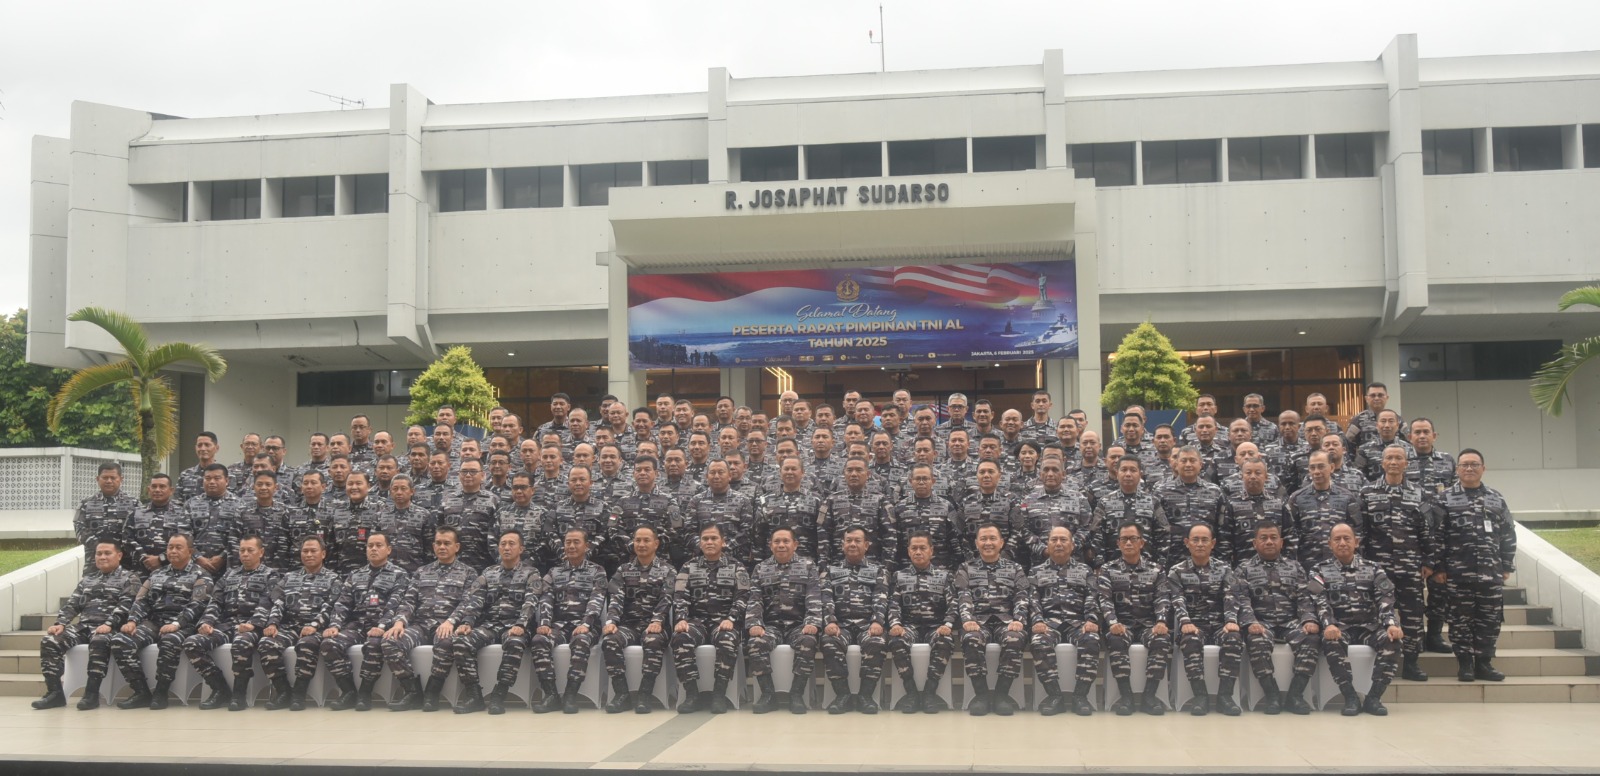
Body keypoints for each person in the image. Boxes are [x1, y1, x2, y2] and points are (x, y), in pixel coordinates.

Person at [1437, 449, 1516, 683]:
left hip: (1490, 573)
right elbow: (1436, 536)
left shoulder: (1496, 498)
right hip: (1458, 573)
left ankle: (1484, 663)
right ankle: (1465, 665)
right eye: (1464, 465)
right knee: (1460, 621)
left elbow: (1508, 533)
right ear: (1457, 469)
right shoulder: (1445, 498)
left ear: (1483, 468)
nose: (1469, 469)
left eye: (1474, 464)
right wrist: (1439, 567)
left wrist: (1507, 565)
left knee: (1489, 620)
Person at [1360, 444, 1438, 681]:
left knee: (1413, 616)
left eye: (1398, 458)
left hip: (1410, 567)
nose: (1393, 462)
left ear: (1407, 463)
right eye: (1389, 458)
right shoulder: (1367, 492)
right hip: (1378, 568)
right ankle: (1378, 662)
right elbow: (1361, 531)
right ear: (1382, 463)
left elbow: (1428, 530)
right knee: (1376, 615)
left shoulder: (1419, 493)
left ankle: (1412, 663)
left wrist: (1429, 561)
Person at [109, 534, 212, 709]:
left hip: (185, 624)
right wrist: (133, 621)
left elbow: (198, 605)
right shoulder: (156, 574)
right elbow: (141, 600)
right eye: (170, 547)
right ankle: (141, 691)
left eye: (178, 547)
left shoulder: (201, 575)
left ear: (190, 551)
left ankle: (161, 692)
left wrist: (177, 624)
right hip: (154, 622)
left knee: (170, 641)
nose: (173, 551)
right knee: (121, 640)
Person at [33, 541, 140, 710]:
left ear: (119, 555)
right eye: (99, 553)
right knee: (50, 641)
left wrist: (109, 624)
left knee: (100, 640)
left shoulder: (130, 579)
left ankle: (91, 694)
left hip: (111, 628)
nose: (102, 557)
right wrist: (60, 623)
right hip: (84, 627)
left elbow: (126, 606)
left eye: (107, 553)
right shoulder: (88, 580)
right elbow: (72, 604)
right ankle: (54, 693)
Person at [383, 526, 477, 711]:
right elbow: (409, 600)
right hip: (420, 625)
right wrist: (400, 621)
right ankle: (412, 691)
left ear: (456, 546)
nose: (442, 547)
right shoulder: (421, 572)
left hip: (446, 624)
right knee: (390, 641)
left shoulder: (469, 573)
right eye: (438, 543)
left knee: (445, 642)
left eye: (447, 543)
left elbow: (467, 603)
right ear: (433, 546)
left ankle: (433, 692)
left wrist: (451, 621)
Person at [449, 529, 544, 714]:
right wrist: (468, 622)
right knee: (460, 640)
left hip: (516, 626)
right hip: (490, 626)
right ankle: (474, 695)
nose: (506, 548)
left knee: (515, 642)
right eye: (503, 544)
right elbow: (475, 599)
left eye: (511, 544)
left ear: (521, 548)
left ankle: (499, 695)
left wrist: (521, 624)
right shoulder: (488, 573)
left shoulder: (531, 573)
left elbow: (531, 602)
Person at [1311, 523, 1402, 715]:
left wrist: (1391, 624)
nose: (1342, 543)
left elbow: (1385, 598)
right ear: (1329, 544)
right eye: (1337, 539)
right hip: (1339, 628)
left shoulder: (1373, 569)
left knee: (1392, 640)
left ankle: (1374, 698)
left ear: (1356, 542)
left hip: (1369, 628)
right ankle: (1350, 697)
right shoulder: (1318, 571)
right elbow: (1319, 602)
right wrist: (1329, 625)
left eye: (1347, 538)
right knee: (1331, 641)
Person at [184, 534, 279, 711]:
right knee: (192, 643)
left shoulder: (271, 575)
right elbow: (216, 601)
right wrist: (206, 622)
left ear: (261, 552)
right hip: (227, 624)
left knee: (242, 642)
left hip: (253, 626)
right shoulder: (229, 574)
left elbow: (269, 602)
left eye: (250, 550)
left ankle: (239, 694)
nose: (245, 554)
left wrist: (254, 624)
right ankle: (220, 689)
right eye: (242, 550)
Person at [1235, 522, 1319, 714]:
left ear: (1281, 542)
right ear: (1255, 543)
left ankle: (1295, 696)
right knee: (1256, 641)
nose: (1269, 542)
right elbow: (1242, 600)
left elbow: (1304, 598)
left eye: (1273, 537)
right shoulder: (1243, 569)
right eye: (1263, 538)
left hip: (1291, 623)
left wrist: (1308, 620)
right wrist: (1251, 622)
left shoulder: (1295, 567)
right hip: (1261, 623)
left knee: (1312, 638)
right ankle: (1271, 695)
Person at [322, 531, 411, 711]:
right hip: (357, 625)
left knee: (373, 644)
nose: (374, 549)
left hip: (382, 625)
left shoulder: (399, 574)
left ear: (389, 549)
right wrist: (334, 625)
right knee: (329, 643)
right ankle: (348, 692)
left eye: (378, 546)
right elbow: (342, 603)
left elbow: (396, 603)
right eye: (370, 546)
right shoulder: (355, 575)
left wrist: (382, 625)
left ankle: (365, 693)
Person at [671, 524, 750, 714]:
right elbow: (679, 596)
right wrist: (681, 618)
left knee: (727, 639)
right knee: (680, 637)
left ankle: (719, 695)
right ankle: (692, 694)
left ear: (723, 542)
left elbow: (743, 596)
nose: (709, 542)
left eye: (714, 538)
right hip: (696, 622)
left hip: (724, 621)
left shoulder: (737, 566)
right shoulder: (687, 567)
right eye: (705, 539)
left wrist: (731, 618)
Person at [1097, 522, 1173, 715]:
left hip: (1149, 625)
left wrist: (1161, 621)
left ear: (1142, 542)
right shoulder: (1108, 569)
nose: (1128, 543)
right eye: (1124, 539)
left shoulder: (1156, 569)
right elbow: (1104, 600)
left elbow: (1162, 597)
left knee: (1162, 640)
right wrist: (1113, 622)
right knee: (1115, 640)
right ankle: (1126, 697)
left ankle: (1149, 695)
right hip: (1122, 625)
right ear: (1118, 543)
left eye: (1133, 539)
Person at [258, 535, 342, 710]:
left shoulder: (333, 579)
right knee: (266, 643)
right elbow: (278, 602)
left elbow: (331, 607)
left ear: (324, 554)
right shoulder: (289, 577)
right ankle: (283, 692)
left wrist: (315, 625)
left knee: (306, 644)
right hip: (290, 627)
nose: (309, 554)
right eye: (305, 551)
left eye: (313, 551)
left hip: (316, 628)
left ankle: (299, 694)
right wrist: (272, 623)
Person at [530, 528, 608, 713]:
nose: (571, 546)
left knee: (581, 641)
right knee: (539, 640)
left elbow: (597, 600)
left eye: (576, 542)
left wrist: (586, 624)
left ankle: (571, 695)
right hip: (559, 625)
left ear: (586, 546)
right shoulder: (553, 572)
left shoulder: (597, 571)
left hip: (586, 625)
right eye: (567, 542)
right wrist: (545, 624)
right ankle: (551, 695)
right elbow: (546, 599)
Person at [746, 527, 824, 715]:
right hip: (770, 626)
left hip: (799, 625)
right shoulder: (761, 568)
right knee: (756, 643)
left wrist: (812, 622)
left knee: (808, 641)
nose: (781, 545)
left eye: (786, 541)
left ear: (795, 544)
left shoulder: (808, 566)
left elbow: (814, 596)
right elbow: (754, 599)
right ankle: (768, 695)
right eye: (777, 542)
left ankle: (796, 694)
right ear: (770, 545)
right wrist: (754, 623)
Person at [601, 526, 676, 713]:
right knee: (610, 641)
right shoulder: (623, 570)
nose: (641, 544)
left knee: (653, 641)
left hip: (656, 626)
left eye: (646, 540)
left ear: (656, 544)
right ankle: (622, 694)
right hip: (629, 626)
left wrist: (657, 621)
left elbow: (666, 599)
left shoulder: (668, 570)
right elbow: (615, 598)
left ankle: (644, 694)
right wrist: (611, 622)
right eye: (637, 540)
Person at [955, 523, 1029, 716]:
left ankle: (1001, 695)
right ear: (976, 543)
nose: (988, 543)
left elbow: (1022, 596)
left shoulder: (1015, 568)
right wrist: (968, 619)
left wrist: (1019, 619)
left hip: (1007, 621)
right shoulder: (965, 568)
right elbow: (963, 596)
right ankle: (981, 695)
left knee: (1015, 637)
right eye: (983, 539)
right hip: (978, 621)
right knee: (971, 638)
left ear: (1002, 542)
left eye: (992, 538)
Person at [1028, 526, 1101, 716]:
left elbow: (1092, 598)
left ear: (1073, 545)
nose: (1058, 544)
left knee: (1091, 639)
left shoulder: (1085, 571)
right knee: (1038, 641)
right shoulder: (1036, 571)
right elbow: (1033, 600)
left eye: (1063, 540)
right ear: (1047, 544)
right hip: (1048, 623)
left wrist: (1091, 620)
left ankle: (1080, 697)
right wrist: (1037, 620)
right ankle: (1055, 696)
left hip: (1077, 622)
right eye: (1054, 540)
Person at [819, 527, 891, 714]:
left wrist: (877, 621)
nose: (852, 544)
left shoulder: (878, 570)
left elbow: (881, 597)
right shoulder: (830, 570)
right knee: (828, 641)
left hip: (868, 625)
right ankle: (842, 695)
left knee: (877, 641)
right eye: (848, 540)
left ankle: (865, 696)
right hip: (840, 625)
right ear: (842, 545)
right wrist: (830, 621)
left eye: (857, 541)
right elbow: (826, 598)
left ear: (866, 545)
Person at [1286, 451, 1363, 570]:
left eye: (1321, 466)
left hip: (1340, 565)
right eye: (1312, 467)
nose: (1316, 472)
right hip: (1307, 563)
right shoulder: (1296, 498)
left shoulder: (1347, 497)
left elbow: (1356, 530)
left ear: (1331, 467)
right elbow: (1290, 532)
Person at [819, 456, 897, 569]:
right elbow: (823, 537)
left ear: (868, 474)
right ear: (844, 473)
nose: (854, 474)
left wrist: (886, 568)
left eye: (859, 470)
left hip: (873, 567)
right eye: (849, 470)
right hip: (838, 567)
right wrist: (824, 567)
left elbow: (890, 537)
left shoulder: (881, 501)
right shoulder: (831, 501)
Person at [1017, 458, 1094, 569]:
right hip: (1040, 564)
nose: (1050, 474)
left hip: (1073, 564)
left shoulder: (1079, 499)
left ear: (1063, 474)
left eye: (1055, 470)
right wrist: (1042, 549)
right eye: (1046, 470)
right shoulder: (1027, 501)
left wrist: (1069, 547)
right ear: (1040, 474)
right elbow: (1023, 529)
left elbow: (1086, 527)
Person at [1093, 458, 1170, 567]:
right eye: (1124, 470)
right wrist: (1099, 563)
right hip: (1112, 568)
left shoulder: (1152, 501)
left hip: (1147, 568)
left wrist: (1160, 563)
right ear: (1117, 473)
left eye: (1133, 470)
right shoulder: (1105, 502)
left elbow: (1163, 534)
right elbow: (1096, 533)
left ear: (1140, 474)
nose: (1128, 474)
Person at [74, 461, 140, 575]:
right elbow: (80, 529)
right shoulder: (86, 504)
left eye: (113, 477)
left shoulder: (133, 503)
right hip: (95, 563)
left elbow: (140, 529)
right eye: (105, 477)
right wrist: (103, 549)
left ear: (121, 479)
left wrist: (119, 549)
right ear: (97, 479)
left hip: (126, 562)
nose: (109, 481)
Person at [434, 459, 499, 571]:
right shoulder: (448, 499)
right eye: (464, 472)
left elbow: (498, 535)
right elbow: (439, 529)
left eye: (473, 471)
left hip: (482, 564)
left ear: (483, 475)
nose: (468, 475)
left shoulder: (493, 501)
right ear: (459, 475)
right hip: (451, 566)